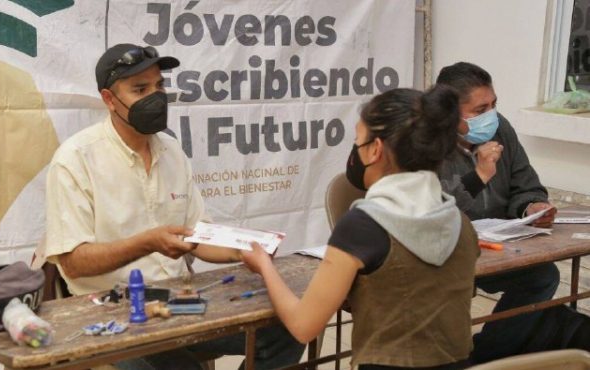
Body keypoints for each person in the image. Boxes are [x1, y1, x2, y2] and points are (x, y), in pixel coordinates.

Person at [42, 43, 304, 370]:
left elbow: (198, 237)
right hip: (115, 313)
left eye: (159, 85)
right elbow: (74, 263)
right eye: (141, 89)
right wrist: (147, 242)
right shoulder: (76, 159)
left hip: (180, 304)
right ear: (109, 100)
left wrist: (244, 250)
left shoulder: (171, 151)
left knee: (291, 328)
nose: (156, 97)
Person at [242, 86, 480, 370]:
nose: (355, 150)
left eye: (358, 141)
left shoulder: (363, 227)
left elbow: (303, 326)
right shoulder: (460, 223)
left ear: (375, 150)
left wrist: (265, 267)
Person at [436, 61, 590, 363]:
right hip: (444, 251)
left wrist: (532, 206)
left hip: (498, 245)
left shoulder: (500, 128)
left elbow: (526, 183)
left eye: (494, 104)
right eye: (480, 110)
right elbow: (432, 211)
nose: (490, 116)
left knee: (542, 276)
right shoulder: (424, 143)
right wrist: (479, 173)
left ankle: (486, 358)